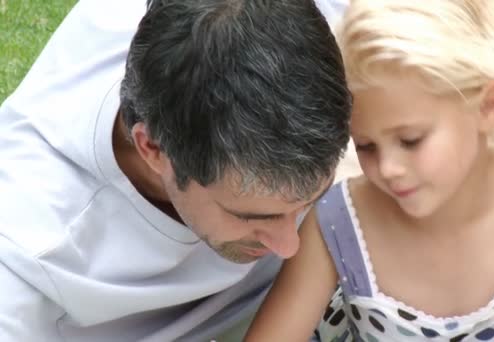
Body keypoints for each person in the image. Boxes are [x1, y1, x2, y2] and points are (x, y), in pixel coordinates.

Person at [245, 0, 494, 340]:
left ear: (488, 106)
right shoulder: (337, 222)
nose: (387, 168)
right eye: (365, 146)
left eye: (411, 140)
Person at [0, 0, 351, 340]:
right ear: (152, 149)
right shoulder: (26, 254)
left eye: (311, 198)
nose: (290, 245)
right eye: (253, 216)